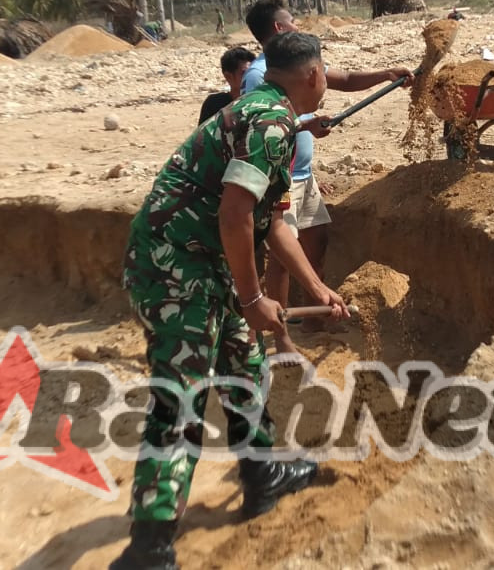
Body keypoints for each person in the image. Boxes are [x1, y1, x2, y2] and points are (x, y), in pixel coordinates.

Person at [113, 31, 350, 570]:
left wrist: (317, 290)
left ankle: (262, 473)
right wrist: (253, 296)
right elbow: (235, 215)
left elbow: (269, 223)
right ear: (313, 75)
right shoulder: (269, 123)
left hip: (208, 259)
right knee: (181, 396)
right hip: (174, 264)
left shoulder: (274, 119)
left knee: (243, 363)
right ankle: (149, 546)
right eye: (325, 74)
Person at [240, 0, 411, 331]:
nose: (298, 24)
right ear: (278, 27)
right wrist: (305, 125)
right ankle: (281, 332)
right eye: (293, 20)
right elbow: (258, 129)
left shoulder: (301, 61)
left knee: (315, 245)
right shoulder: (259, 75)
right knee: (281, 258)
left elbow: (344, 78)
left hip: (303, 175)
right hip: (280, 177)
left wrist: (386, 74)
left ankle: (316, 320)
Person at [198, 47, 254, 125]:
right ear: (228, 77)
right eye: (244, 73)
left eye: (252, 72)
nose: (251, 77)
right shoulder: (214, 105)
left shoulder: (262, 101)